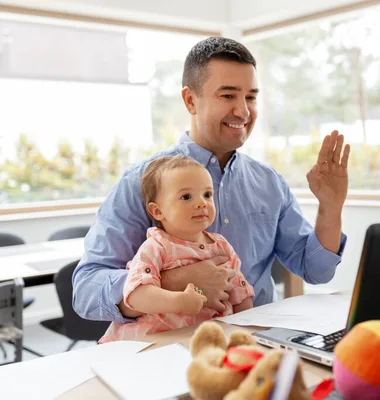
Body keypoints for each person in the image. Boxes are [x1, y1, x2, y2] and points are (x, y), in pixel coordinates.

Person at [73, 36, 351, 324]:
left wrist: (331, 207)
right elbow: (86, 290)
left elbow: (316, 271)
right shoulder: (141, 181)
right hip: (172, 350)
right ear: (190, 100)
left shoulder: (270, 183)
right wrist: (173, 282)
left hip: (256, 341)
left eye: (251, 97)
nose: (243, 111)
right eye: (228, 95)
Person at [98, 155, 254, 342]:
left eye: (207, 194)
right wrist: (179, 302)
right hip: (157, 340)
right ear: (157, 211)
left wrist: (248, 333)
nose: (202, 203)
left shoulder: (221, 246)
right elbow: (136, 294)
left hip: (207, 338)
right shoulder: (156, 247)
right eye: (186, 196)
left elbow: (240, 294)